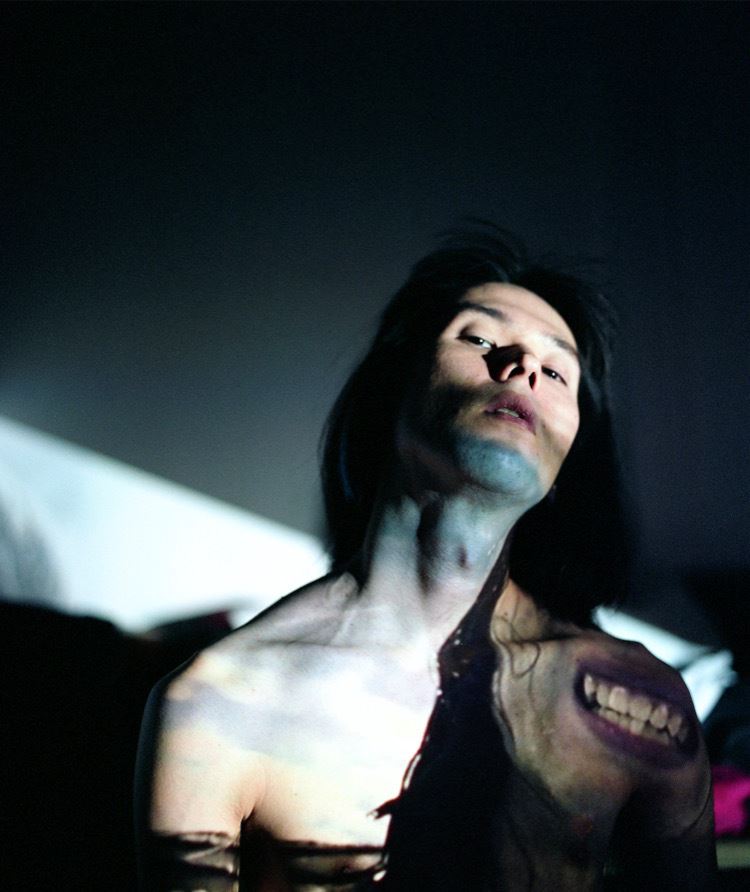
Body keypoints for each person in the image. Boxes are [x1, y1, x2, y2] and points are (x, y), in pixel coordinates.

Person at [135, 227, 716, 890]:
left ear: (569, 457)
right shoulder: (222, 704)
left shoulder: (639, 707)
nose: (524, 366)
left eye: (558, 371)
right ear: (392, 385)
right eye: (480, 339)